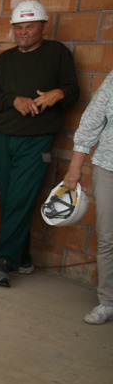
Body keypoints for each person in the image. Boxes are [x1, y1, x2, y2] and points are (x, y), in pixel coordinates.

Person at [0, 0, 79, 286]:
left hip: (36, 141)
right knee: (11, 196)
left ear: (43, 27)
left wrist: (57, 94)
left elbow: (74, 90)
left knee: (21, 198)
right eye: (19, 27)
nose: (23, 32)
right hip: (2, 137)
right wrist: (14, 100)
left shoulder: (58, 53)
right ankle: (22, 257)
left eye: (30, 27)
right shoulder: (6, 58)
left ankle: (1, 260)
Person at [63, 69, 113, 324]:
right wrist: (75, 166)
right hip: (109, 166)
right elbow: (93, 119)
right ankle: (107, 302)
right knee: (108, 237)